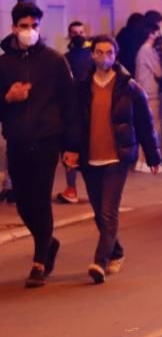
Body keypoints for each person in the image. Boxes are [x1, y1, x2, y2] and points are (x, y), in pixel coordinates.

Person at [0, 2, 80, 288]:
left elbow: (70, 106)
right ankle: (48, 242)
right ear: (13, 28)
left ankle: (39, 262)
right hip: (18, 141)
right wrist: (7, 99)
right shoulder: (3, 64)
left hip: (47, 140)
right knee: (22, 202)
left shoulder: (55, 61)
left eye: (34, 26)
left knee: (41, 199)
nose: (29, 31)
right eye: (24, 26)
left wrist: (71, 146)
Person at [77, 36, 161, 284]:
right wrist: (69, 150)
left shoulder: (129, 87)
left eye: (109, 52)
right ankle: (117, 251)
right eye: (99, 52)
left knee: (108, 211)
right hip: (90, 157)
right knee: (98, 214)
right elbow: (74, 122)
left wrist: (153, 155)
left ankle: (99, 262)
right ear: (92, 55)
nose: (104, 57)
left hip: (117, 157)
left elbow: (145, 124)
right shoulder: (82, 86)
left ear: (116, 55)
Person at [58, 21, 92, 204]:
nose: (78, 35)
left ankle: (72, 189)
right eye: (75, 32)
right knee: (75, 149)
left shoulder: (67, 59)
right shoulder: (66, 59)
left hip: (78, 111)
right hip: (76, 110)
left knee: (72, 149)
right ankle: (75, 189)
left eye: (80, 32)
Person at [134, 21, 162, 173]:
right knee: (153, 127)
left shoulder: (143, 50)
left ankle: (141, 162)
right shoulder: (147, 51)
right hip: (150, 93)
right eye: (158, 31)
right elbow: (159, 72)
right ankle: (146, 161)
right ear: (151, 33)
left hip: (145, 91)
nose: (160, 34)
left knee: (145, 126)